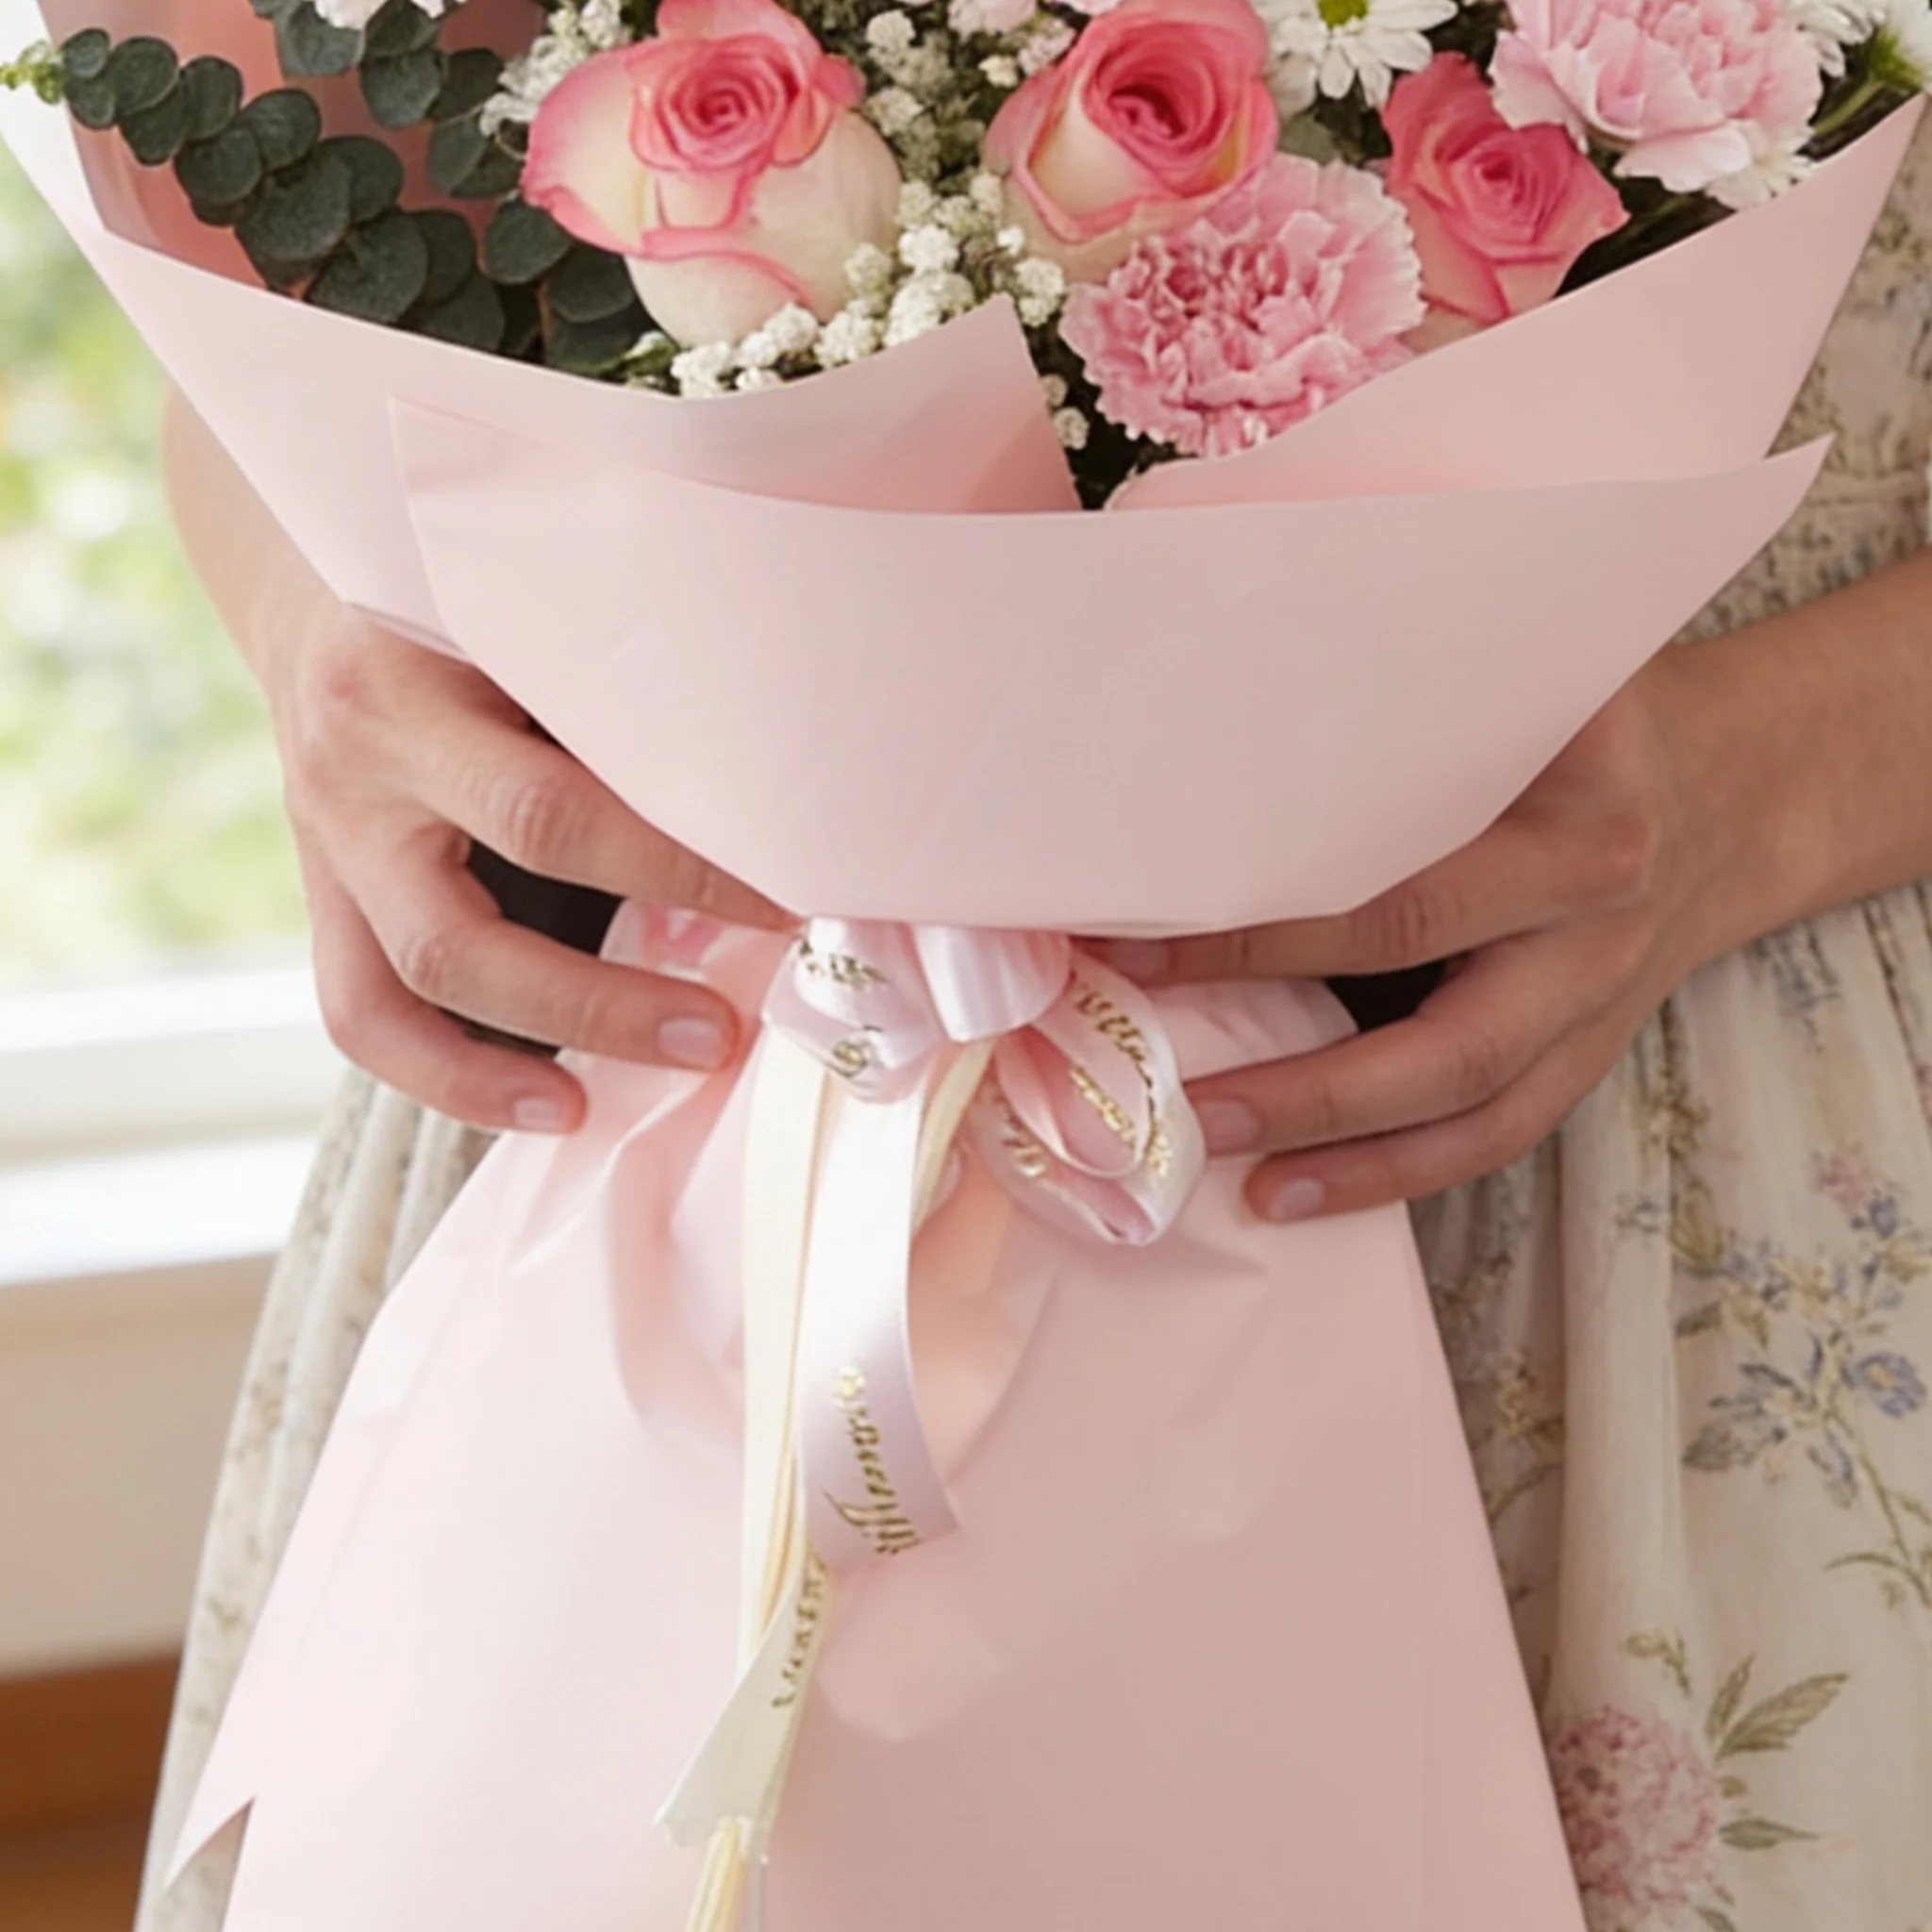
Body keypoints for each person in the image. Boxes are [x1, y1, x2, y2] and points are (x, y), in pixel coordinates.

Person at [138, 120, 1932, 1932]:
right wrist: (319, 633)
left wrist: (1767, 779)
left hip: (1613, 1031)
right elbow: (235, 235)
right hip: (670, 1068)